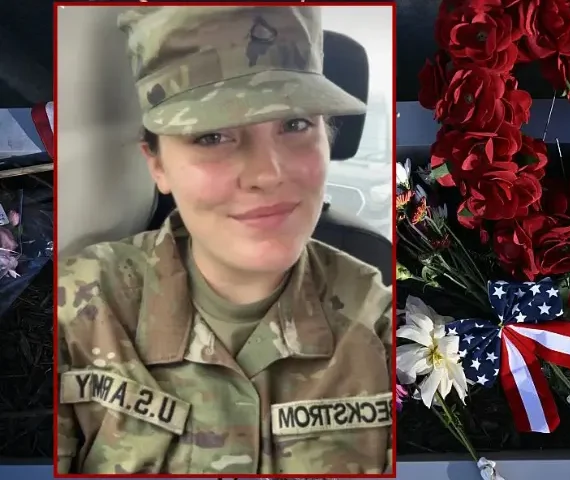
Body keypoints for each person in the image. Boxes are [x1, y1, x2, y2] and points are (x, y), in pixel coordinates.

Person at [56, 5, 393, 475]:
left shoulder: (382, 318)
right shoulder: (78, 307)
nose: (266, 173)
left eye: (296, 124)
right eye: (211, 135)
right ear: (156, 164)